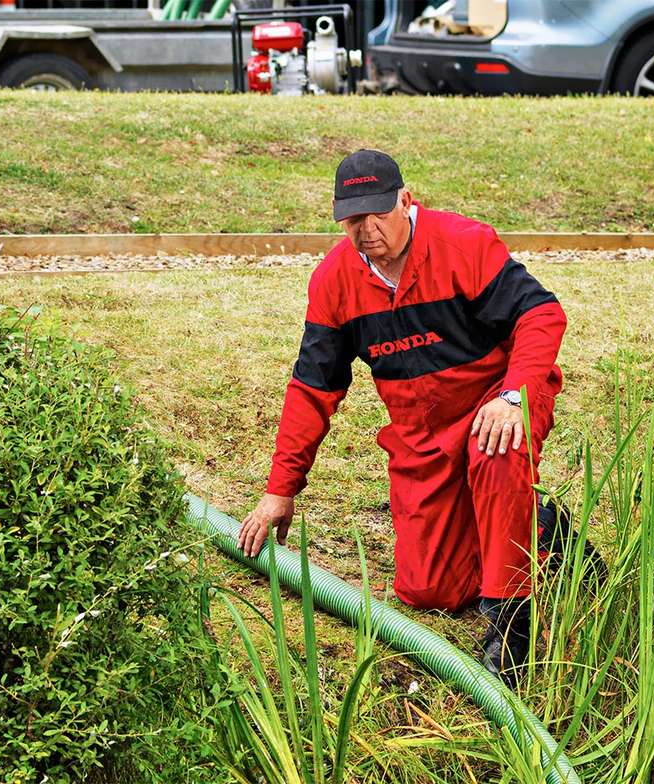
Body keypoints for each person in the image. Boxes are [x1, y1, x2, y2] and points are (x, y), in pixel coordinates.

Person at [236, 149, 569, 685]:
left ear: (405, 201)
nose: (366, 229)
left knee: (496, 450)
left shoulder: (465, 244)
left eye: (377, 214)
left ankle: (511, 628)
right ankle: (546, 528)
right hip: (421, 435)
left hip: (495, 401)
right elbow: (312, 389)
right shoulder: (333, 282)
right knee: (428, 590)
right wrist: (282, 489)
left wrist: (515, 397)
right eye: (352, 219)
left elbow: (541, 314)